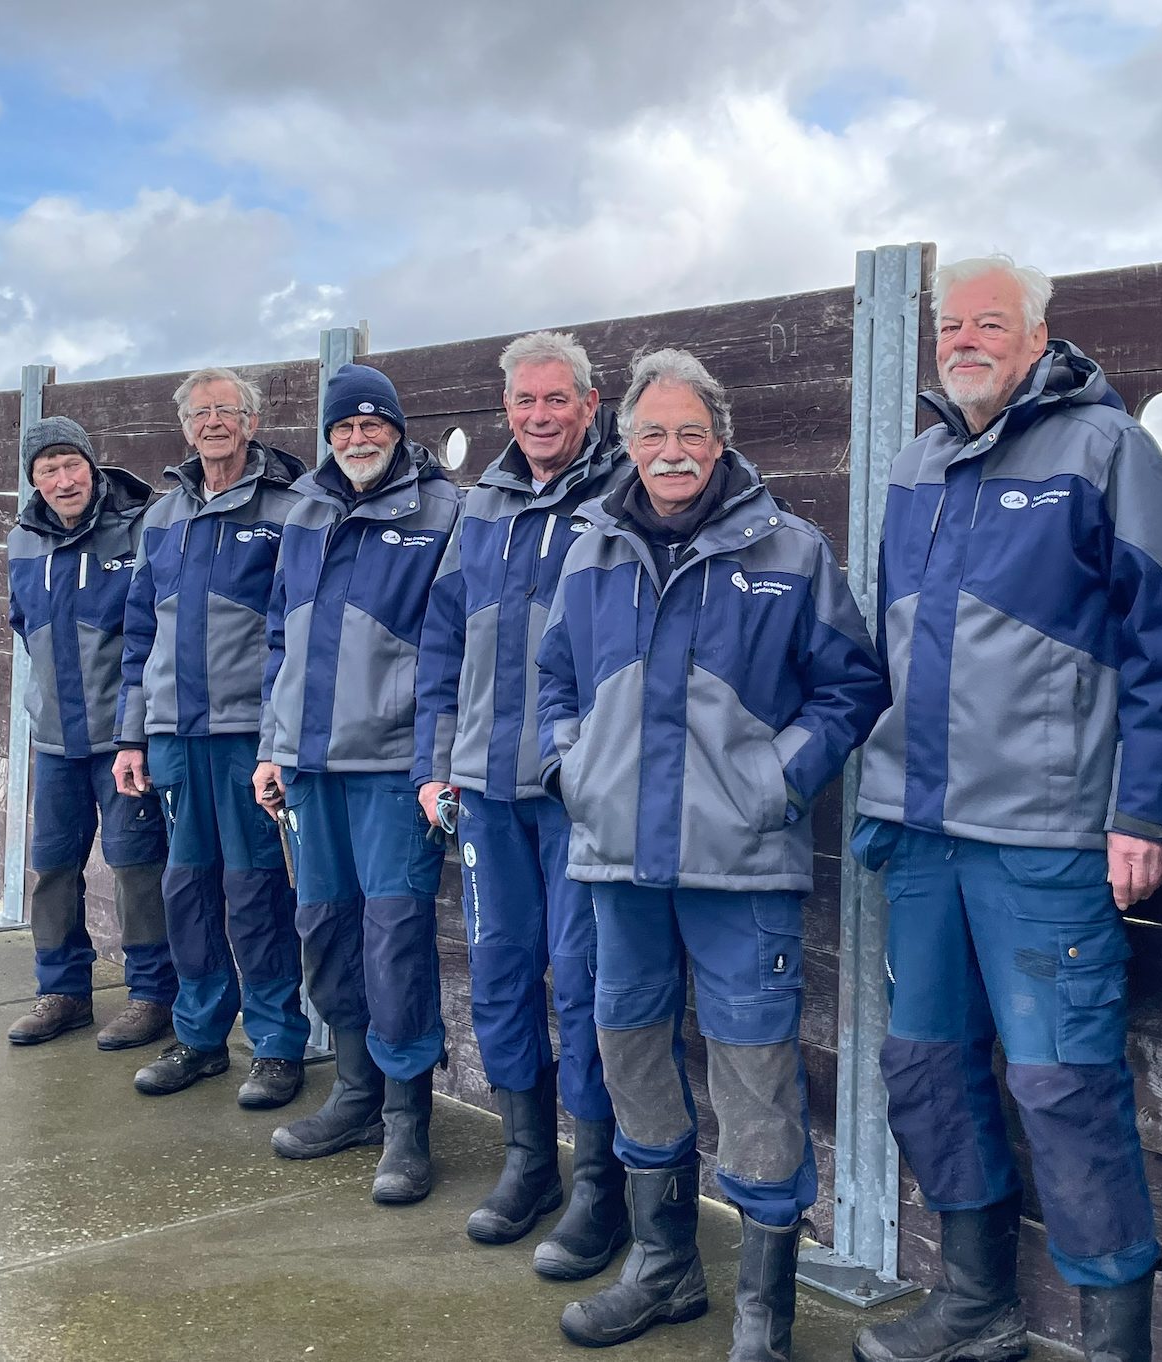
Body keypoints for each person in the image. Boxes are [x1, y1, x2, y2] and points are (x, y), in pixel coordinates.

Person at [850, 256, 1162, 1362]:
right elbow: (891, 643)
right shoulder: (915, 462)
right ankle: (977, 1306)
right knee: (924, 1069)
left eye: (987, 323)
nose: (962, 340)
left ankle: (1111, 1335)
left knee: (1064, 1086)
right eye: (949, 325)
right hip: (920, 835)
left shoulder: (1105, 449)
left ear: (1038, 332)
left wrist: (1140, 815)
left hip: (1045, 841)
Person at [537, 348, 889, 1360]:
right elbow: (555, 676)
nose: (672, 450)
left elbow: (850, 686)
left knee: (753, 1079)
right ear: (628, 443)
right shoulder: (592, 549)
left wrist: (774, 781)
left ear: (720, 439)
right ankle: (664, 1267)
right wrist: (573, 771)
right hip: (615, 862)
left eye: (690, 432)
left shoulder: (789, 550)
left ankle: (761, 1313)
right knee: (631, 1055)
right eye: (652, 433)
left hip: (740, 869)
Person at [414, 332, 630, 1265]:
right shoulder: (483, 506)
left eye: (556, 400)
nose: (539, 417)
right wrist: (435, 761)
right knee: (501, 976)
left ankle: (599, 1184)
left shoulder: (622, 497)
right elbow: (439, 640)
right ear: (505, 412)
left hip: (577, 793)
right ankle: (527, 1159)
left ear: (591, 403)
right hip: (484, 788)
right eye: (524, 403)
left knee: (583, 988)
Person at [255, 363, 461, 1204]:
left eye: (374, 424)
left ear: (399, 429)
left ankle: (410, 1125)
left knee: (396, 942)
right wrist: (273, 745)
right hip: (309, 768)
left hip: (391, 772)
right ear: (328, 434)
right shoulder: (303, 509)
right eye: (344, 426)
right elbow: (279, 637)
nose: (358, 437)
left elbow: (451, 648)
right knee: (325, 931)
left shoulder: (442, 511)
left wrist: (433, 762)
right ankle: (354, 1098)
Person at [112, 367, 313, 1109]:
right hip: (172, 735)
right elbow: (139, 630)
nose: (213, 423)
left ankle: (276, 1045)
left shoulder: (289, 510)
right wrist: (131, 736)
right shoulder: (162, 517)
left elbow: (295, 629)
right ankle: (199, 1037)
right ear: (185, 428)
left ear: (252, 422)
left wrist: (277, 738)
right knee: (187, 889)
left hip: (245, 737)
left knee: (256, 890)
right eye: (200, 413)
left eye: (227, 410)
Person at [2, 415, 176, 1051]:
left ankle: (153, 994)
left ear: (93, 466)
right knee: (52, 867)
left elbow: (154, 630)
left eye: (71, 464)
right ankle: (63, 991)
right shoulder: (22, 542)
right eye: (47, 470)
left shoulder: (138, 528)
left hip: (121, 739)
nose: (63, 479)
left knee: (136, 867)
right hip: (53, 740)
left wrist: (137, 728)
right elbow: (25, 624)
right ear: (34, 481)